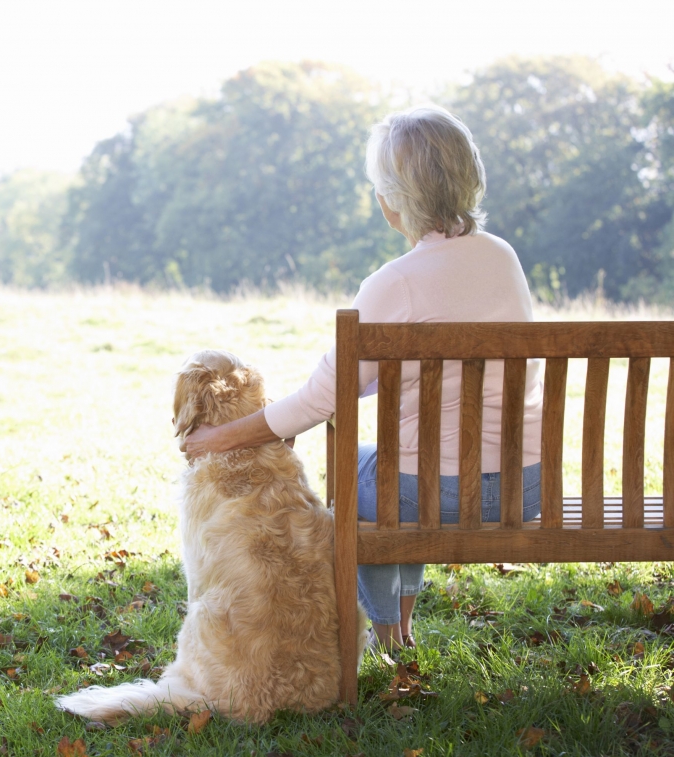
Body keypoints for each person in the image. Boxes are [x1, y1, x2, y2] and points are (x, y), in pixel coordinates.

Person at [183, 106, 543, 652]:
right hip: (526, 486)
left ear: (392, 200)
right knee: (402, 467)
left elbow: (321, 400)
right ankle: (401, 630)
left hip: (441, 495)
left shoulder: (392, 283)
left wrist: (219, 437)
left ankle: (389, 634)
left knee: (362, 477)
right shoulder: (503, 258)